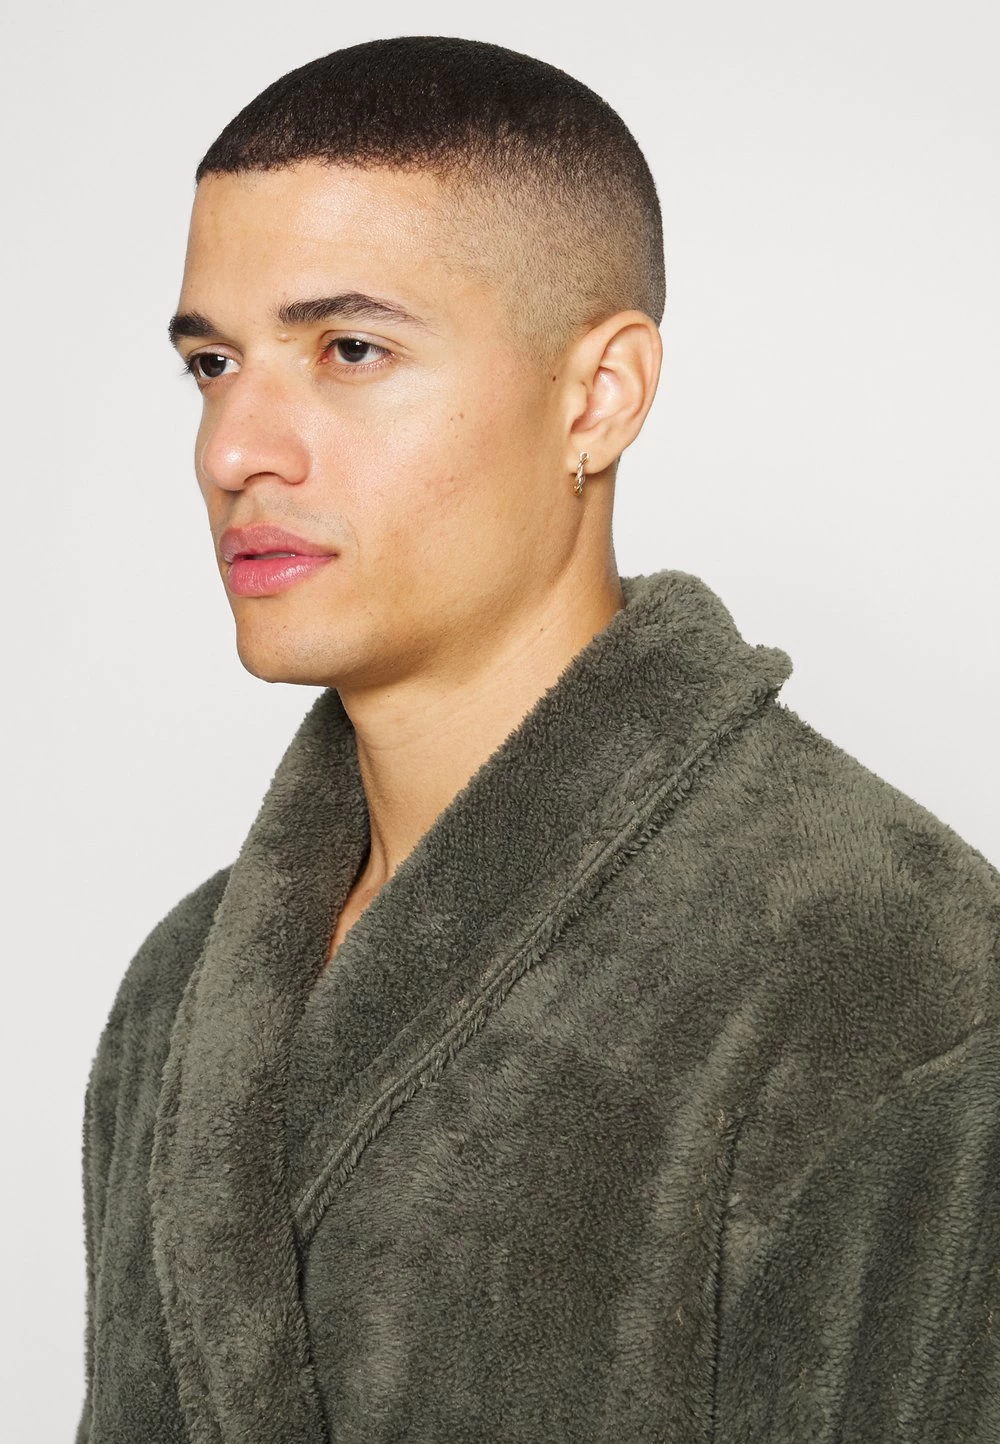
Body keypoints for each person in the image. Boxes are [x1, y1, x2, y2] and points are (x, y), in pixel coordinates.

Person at [75, 34, 1000, 1444]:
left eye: (349, 350)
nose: (232, 450)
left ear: (597, 396)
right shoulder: (183, 991)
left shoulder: (896, 976)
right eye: (212, 362)